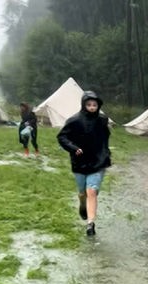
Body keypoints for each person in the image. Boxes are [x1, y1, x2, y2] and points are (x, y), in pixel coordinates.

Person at [57, 91, 112, 236]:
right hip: (79, 162)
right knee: (83, 192)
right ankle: (82, 203)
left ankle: (90, 223)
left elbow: (106, 137)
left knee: (92, 191)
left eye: (95, 105)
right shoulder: (74, 121)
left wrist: (105, 153)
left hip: (98, 161)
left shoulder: (102, 120)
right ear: (83, 105)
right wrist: (73, 148)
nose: (92, 107)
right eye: (89, 104)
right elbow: (62, 137)